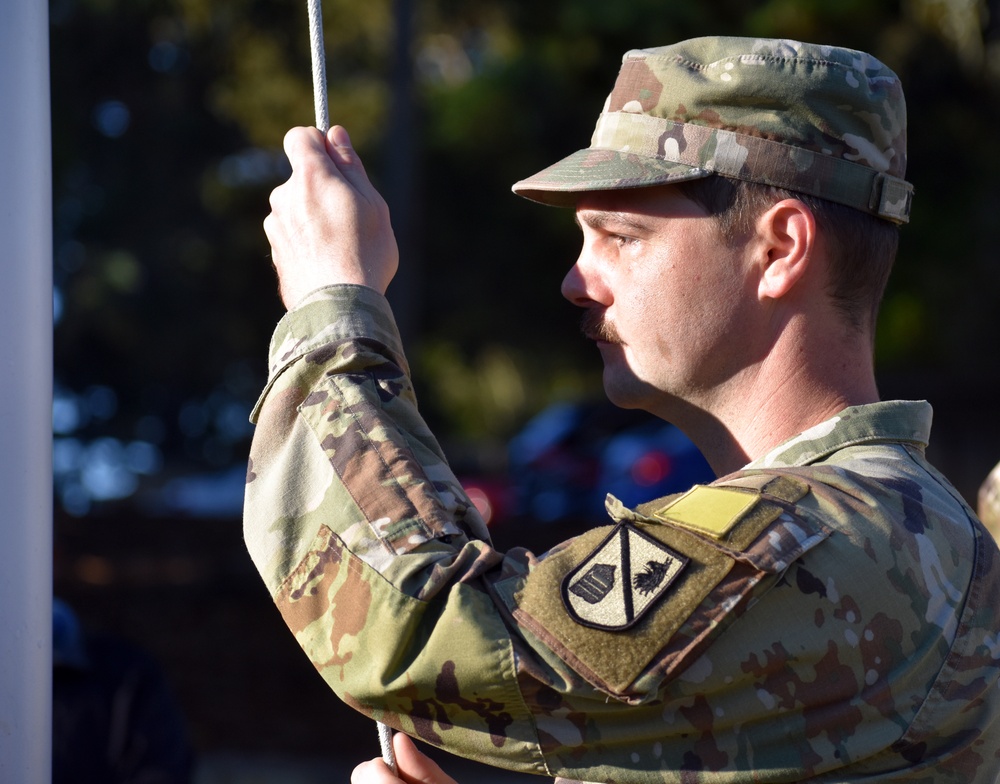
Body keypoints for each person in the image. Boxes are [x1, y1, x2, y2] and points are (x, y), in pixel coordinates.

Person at [245, 36, 1000, 782]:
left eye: (620, 235)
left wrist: (334, 309)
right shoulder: (910, 526)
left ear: (779, 249)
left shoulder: (811, 540)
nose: (577, 281)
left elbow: (416, 637)